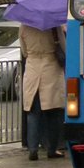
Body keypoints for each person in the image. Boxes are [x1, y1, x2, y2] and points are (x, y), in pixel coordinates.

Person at [20, 24, 66, 160]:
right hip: (50, 69)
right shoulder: (53, 26)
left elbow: (24, 51)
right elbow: (64, 47)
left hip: (32, 69)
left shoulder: (24, 26)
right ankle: (52, 149)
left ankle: (33, 149)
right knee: (53, 113)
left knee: (33, 113)